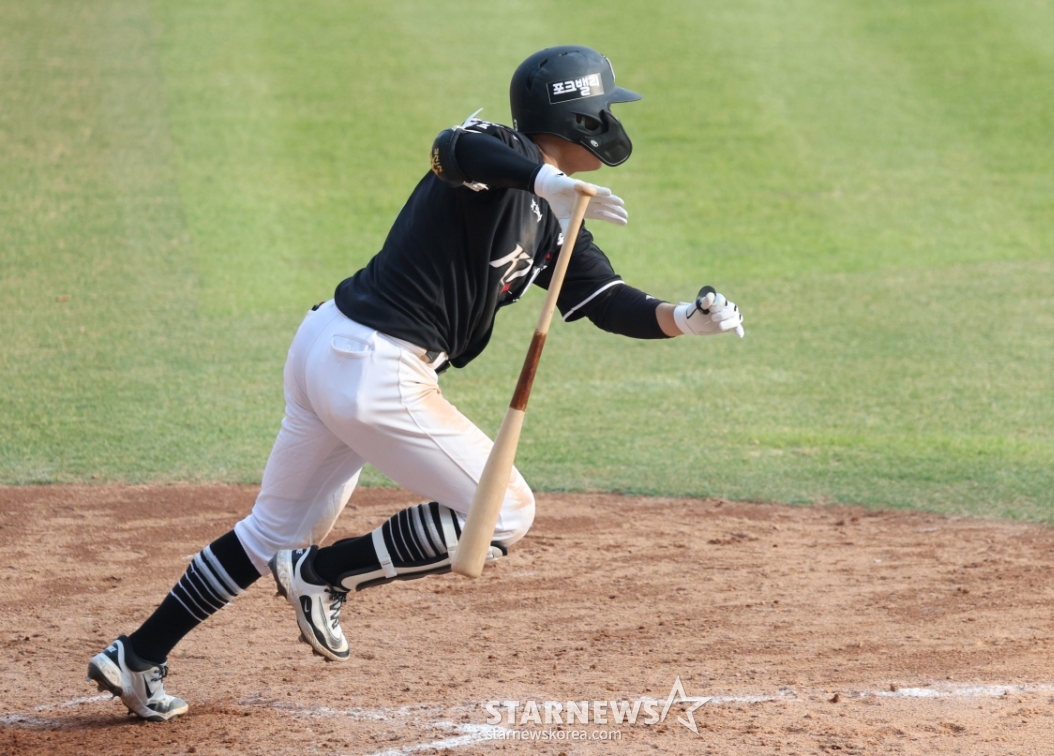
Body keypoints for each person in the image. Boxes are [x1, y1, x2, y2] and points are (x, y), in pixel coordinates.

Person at [86, 45, 744, 721]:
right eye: (600, 106)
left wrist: (684, 320)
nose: (609, 117)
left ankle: (135, 656)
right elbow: (452, 149)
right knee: (507, 511)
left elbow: (604, 298)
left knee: (274, 530)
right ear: (575, 117)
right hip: (373, 363)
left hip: (333, 347)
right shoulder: (501, 151)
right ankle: (323, 575)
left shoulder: (560, 215)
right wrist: (542, 180)